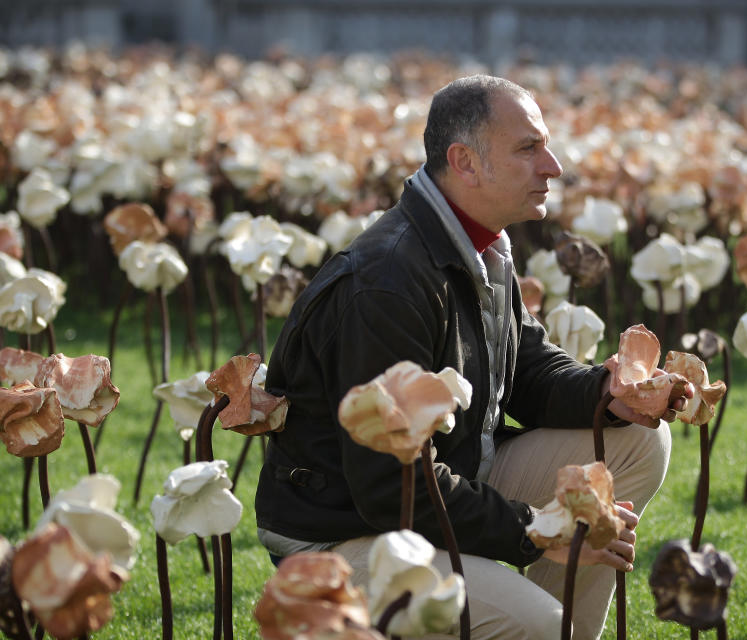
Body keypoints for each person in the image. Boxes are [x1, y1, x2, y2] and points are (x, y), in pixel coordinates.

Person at [256, 75, 686, 640]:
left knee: (637, 440)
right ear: (465, 162)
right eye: (528, 148)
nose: (553, 165)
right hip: (346, 529)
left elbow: (526, 367)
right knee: (535, 627)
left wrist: (605, 393)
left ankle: (565, 633)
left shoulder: (482, 242)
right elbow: (388, 483)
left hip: (443, 477)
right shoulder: (389, 280)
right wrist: (536, 528)